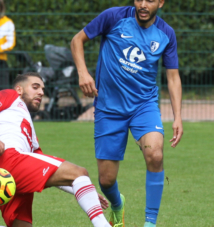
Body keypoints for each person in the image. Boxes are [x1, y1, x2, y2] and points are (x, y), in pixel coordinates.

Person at [70, 0, 183, 226]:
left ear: (160, 2)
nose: (143, 4)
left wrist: (178, 115)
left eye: (150, 0)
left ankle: (150, 223)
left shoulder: (166, 34)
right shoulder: (113, 17)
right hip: (108, 108)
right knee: (107, 179)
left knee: (155, 154)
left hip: (144, 105)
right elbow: (77, 40)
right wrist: (83, 73)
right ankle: (117, 204)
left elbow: (173, 77)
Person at [0, 72, 113, 227]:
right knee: (79, 172)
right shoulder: (10, 95)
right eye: (35, 87)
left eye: (43, 89)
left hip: (3, 176)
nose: (41, 92)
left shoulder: (29, 132)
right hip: (7, 160)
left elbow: (50, 177)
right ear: (19, 89)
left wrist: (83, 189)